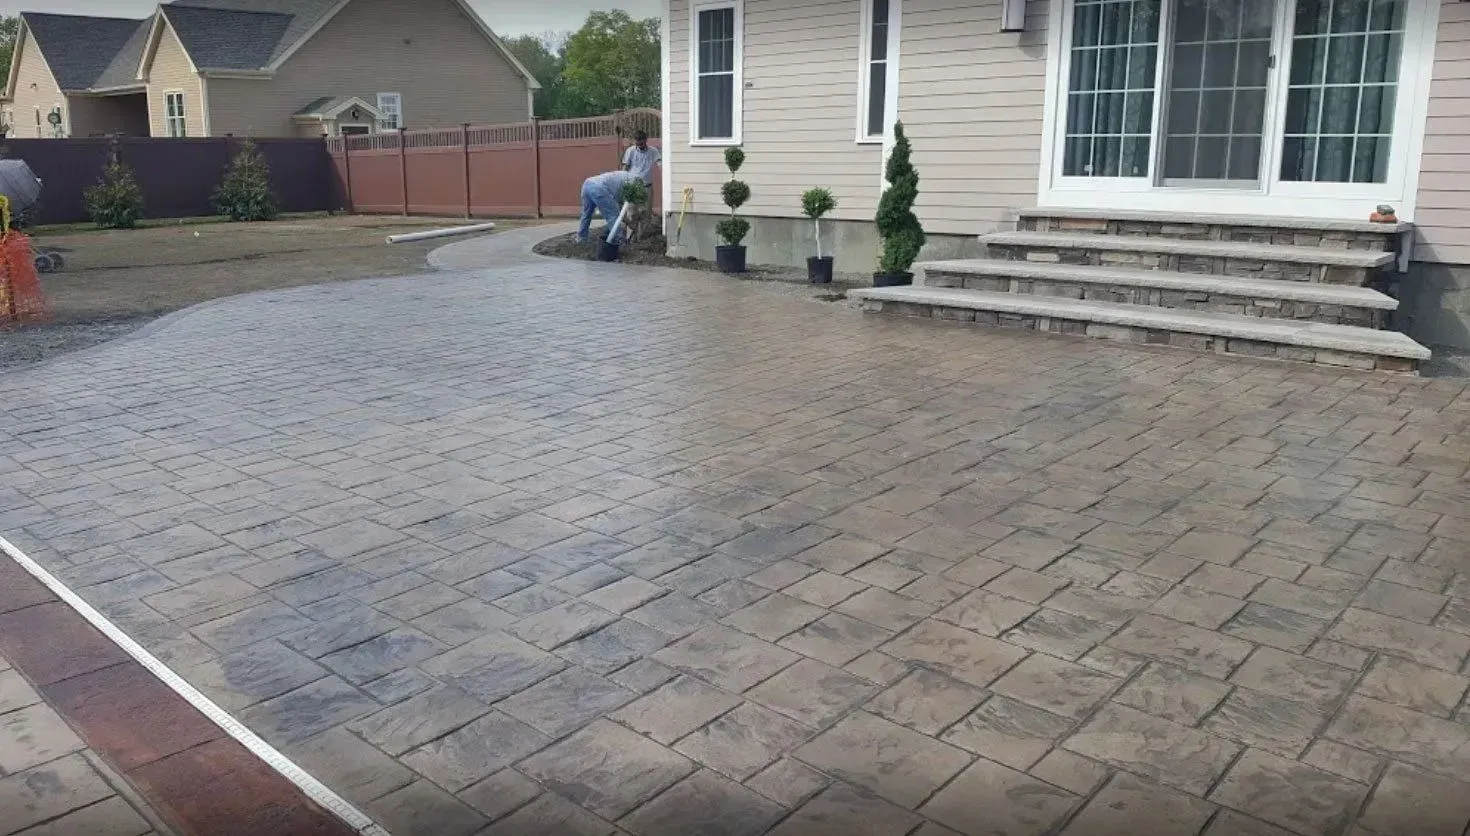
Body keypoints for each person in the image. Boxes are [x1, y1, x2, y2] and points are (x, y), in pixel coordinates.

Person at [577, 169, 638, 244]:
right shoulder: (631, 183)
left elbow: (621, 211)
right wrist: (629, 223)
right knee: (612, 216)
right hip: (599, 188)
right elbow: (619, 212)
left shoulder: (623, 175)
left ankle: (581, 238)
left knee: (586, 214)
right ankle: (619, 240)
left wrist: (627, 222)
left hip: (587, 184)